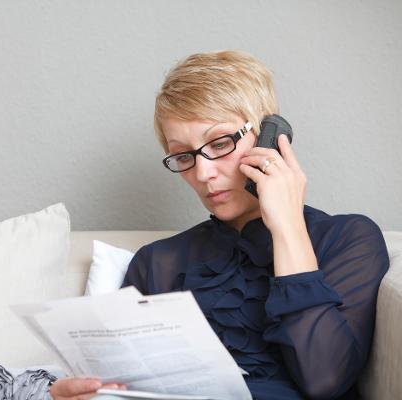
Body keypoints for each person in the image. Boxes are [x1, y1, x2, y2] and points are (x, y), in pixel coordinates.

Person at [49, 50, 389, 400]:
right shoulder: (157, 263)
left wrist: (287, 227)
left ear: (269, 138)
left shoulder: (348, 238)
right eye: (184, 155)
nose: (202, 173)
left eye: (221, 143)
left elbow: (325, 380)